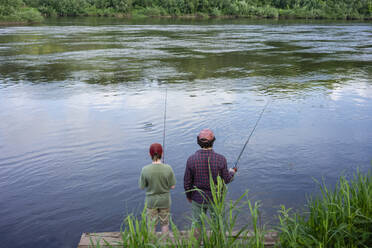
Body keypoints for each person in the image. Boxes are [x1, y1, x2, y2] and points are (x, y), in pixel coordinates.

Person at [183, 128, 236, 234]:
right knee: (218, 224)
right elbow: (226, 179)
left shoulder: (191, 159)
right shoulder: (221, 159)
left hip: (197, 198)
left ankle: (197, 244)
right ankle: (217, 243)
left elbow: (187, 182)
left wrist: (189, 196)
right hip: (215, 199)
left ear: (198, 141)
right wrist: (232, 172)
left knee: (197, 224)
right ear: (213, 141)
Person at [139, 143, 176, 235]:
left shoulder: (145, 169)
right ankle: (164, 244)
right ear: (162, 153)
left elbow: (142, 187)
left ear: (149, 154)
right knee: (165, 224)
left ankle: (152, 243)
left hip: (151, 202)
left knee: (151, 225)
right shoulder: (168, 168)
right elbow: (172, 186)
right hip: (165, 201)